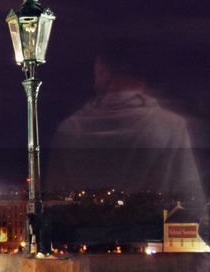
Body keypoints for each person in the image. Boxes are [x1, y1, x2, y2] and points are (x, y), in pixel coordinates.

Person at [50, 52, 204, 217]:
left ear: (110, 77)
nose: (95, 83)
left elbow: (53, 191)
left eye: (98, 75)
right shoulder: (172, 125)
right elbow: (192, 192)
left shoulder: (69, 129)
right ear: (140, 79)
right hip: (152, 229)